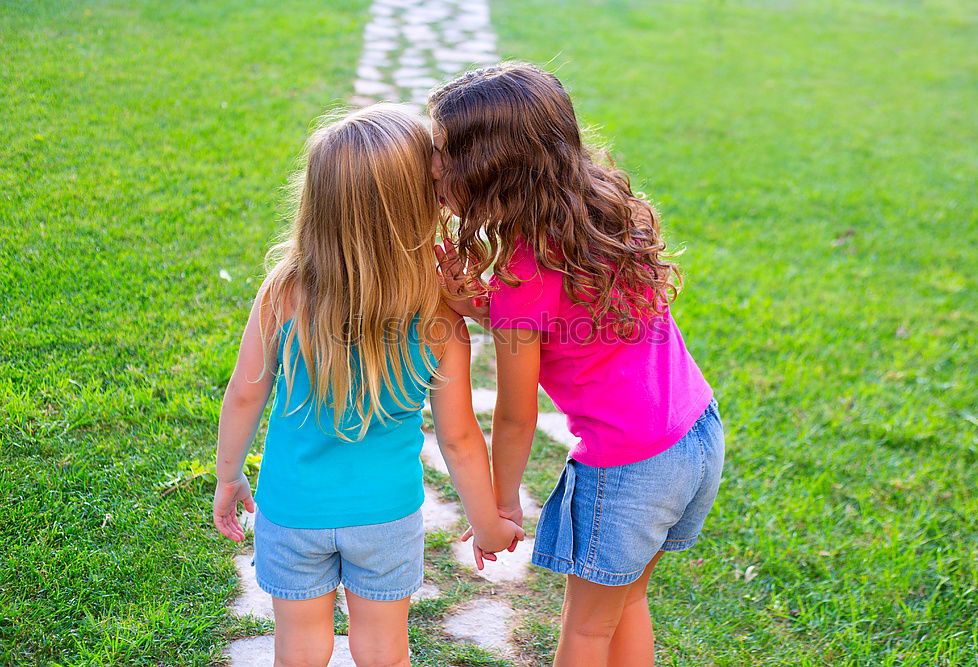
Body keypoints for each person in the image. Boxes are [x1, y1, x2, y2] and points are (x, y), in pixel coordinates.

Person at [429, 63, 724, 667]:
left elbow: (515, 417)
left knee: (587, 632)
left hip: (630, 470)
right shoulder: (610, 211)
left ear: (488, 170)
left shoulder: (523, 278)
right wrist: (483, 307)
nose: (430, 165)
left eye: (441, 154)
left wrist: (503, 502)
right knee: (624, 604)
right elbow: (571, 328)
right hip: (694, 435)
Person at [212, 104, 523, 667]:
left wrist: (229, 476)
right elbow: (458, 438)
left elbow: (244, 395)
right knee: (383, 650)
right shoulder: (439, 321)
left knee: (300, 650)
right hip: (386, 515)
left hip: (290, 510)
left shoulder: (282, 294)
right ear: (419, 207)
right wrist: (486, 525)